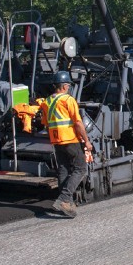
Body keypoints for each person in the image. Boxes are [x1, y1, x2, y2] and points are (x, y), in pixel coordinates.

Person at [39, 70, 94, 218]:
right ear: (64, 86)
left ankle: (67, 203)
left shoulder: (47, 101)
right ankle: (64, 199)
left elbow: (44, 123)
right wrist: (87, 141)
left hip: (56, 140)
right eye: (68, 85)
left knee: (63, 169)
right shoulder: (68, 100)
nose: (69, 88)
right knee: (80, 169)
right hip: (70, 139)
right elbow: (77, 122)